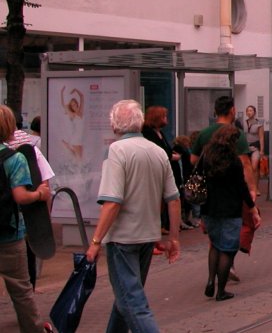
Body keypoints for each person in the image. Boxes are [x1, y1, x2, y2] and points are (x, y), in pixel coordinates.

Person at [85, 99, 180, 333]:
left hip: (123, 238)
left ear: (114, 125)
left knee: (132, 302)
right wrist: (173, 238)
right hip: (148, 236)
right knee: (127, 297)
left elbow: (112, 202)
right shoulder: (158, 151)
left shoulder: (116, 151)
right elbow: (173, 199)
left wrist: (95, 242)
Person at [0, 105, 53, 332]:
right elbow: (21, 196)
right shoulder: (15, 159)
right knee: (21, 290)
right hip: (9, 233)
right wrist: (39, 194)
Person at [199, 126, 258, 301]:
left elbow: (199, 179)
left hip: (209, 207)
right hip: (230, 209)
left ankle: (211, 280)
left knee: (215, 245)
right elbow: (241, 187)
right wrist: (252, 207)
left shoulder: (207, 157)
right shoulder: (234, 161)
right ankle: (221, 291)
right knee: (228, 248)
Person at [6, 123, 57, 290]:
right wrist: (44, 219)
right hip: (20, 223)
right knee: (23, 282)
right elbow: (44, 184)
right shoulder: (28, 150)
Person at [191, 96, 258, 202]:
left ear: (215, 111)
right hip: (231, 190)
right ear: (232, 110)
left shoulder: (203, 134)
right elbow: (245, 164)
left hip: (209, 189)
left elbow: (193, 160)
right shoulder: (238, 134)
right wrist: (252, 189)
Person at [142, 106, 178, 235]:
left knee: (164, 199)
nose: (166, 119)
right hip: (154, 170)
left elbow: (166, 149)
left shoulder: (160, 133)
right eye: (164, 117)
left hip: (165, 169)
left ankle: (162, 224)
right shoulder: (148, 133)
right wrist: (171, 156)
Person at [243, 106, 264, 179]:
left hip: (255, 147)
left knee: (254, 167)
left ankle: (255, 185)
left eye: (251, 110)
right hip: (246, 147)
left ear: (254, 112)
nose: (249, 112)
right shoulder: (244, 122)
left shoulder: (259, 123)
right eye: (247, 111)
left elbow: (261, 137)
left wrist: (262, 150)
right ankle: (249, 184)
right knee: (246, 168)